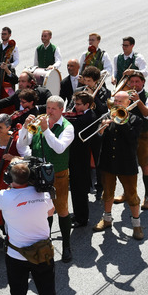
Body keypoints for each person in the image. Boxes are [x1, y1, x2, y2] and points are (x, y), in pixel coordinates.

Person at [0, 161, 58, 295]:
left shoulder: (4, 196)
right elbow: (50, 212)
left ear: (11, 179)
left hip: (16, 256)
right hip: (42, 254)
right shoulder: (43, 194)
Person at [23, 96, 75, 262]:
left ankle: (67, 246)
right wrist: (25, 129)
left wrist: (46, 130)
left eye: (53, 109)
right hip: (38, 174)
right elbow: (21, 145)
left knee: (62, 209)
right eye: (48, 108)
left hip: (58, 174)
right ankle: (46, 244)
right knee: (43, 210)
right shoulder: (39, 123)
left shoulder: (68, 127)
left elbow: (59, 148)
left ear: (61, 110)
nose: (49, 112)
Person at [92, 90, 145, 240]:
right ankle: (107, 219)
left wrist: (122, 121)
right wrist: (101, 130)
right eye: (115, 101)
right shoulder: (106, 117)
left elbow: (132, 139)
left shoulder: (136, 120)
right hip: (108, 162)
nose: (116, 104)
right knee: (107, 193)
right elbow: (96, 141)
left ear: (128, 103)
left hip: (126, 164)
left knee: (132, 195)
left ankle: (137, 225)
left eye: (120, 102)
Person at [113, 71, 148, 210]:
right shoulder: (125, 94)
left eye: (137, 82)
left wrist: (138, 101)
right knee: (126, 165)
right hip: (126, 134)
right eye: (131, 82)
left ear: (143, 82)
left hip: (142, 135)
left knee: (144, 165)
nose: (134, 85)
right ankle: (128, 193)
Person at [65, 92, 97, 227]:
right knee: (75, 187)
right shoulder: (80, 115)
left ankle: (82, 219)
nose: (75, 107)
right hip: (74, 156)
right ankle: (78, 214)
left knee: (80, 189)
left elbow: (75, 129)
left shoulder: (89, 117)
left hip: (81, 158)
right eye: (75, 104)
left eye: (78, 105)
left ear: (87, 105)